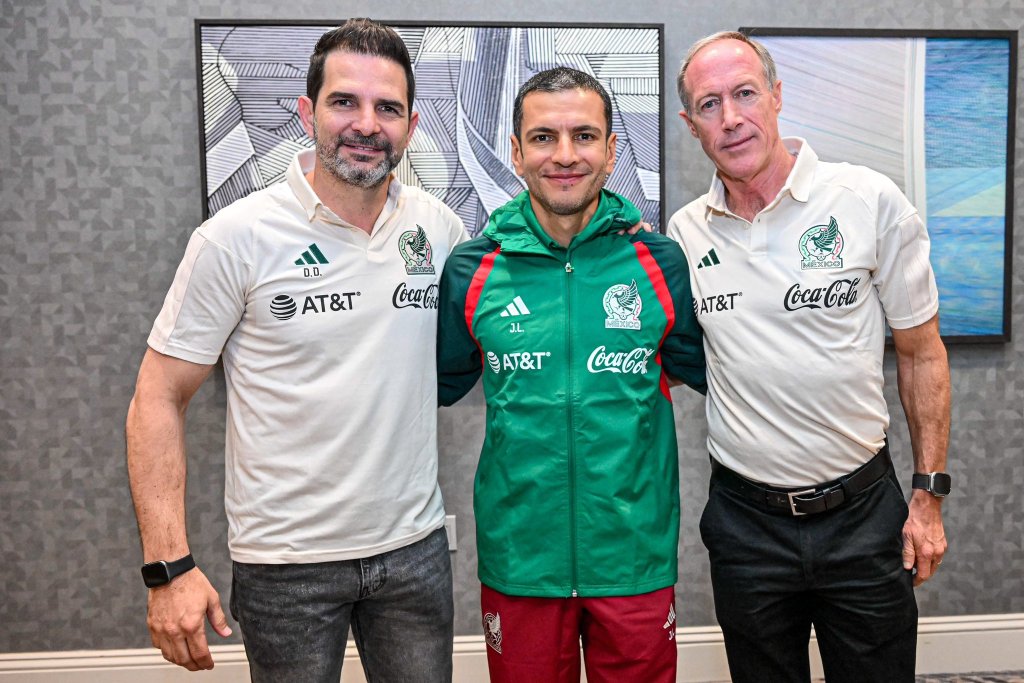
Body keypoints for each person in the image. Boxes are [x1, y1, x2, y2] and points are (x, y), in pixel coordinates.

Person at [125, 19, 466, 682]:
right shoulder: (235, 237)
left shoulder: (438, 227)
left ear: (411, 124)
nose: (367, 124)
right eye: (345, 102)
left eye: (387, 108)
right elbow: (156, 397)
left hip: (416, 552)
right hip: (286, 567)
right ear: (308, 112)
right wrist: (167, 566)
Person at [667, 31, 951, 683]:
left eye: (744, 93)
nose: (731, 117)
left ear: (777, 95)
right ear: (690, 124)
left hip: (863, 516)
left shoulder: (868, 201)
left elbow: (922, 352)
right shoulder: (684, 235)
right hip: (745, 527)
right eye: (709, 105)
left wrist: (929, 495)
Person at [437, 66, 706, 683]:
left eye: (584, 136)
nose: (564, 156)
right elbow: (432, 381)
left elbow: (714, 368)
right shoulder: (472, 269)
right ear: (516, 151)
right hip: (521, 556)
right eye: (543, 137)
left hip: (633, 553)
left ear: (612, 150)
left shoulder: (661, 262)